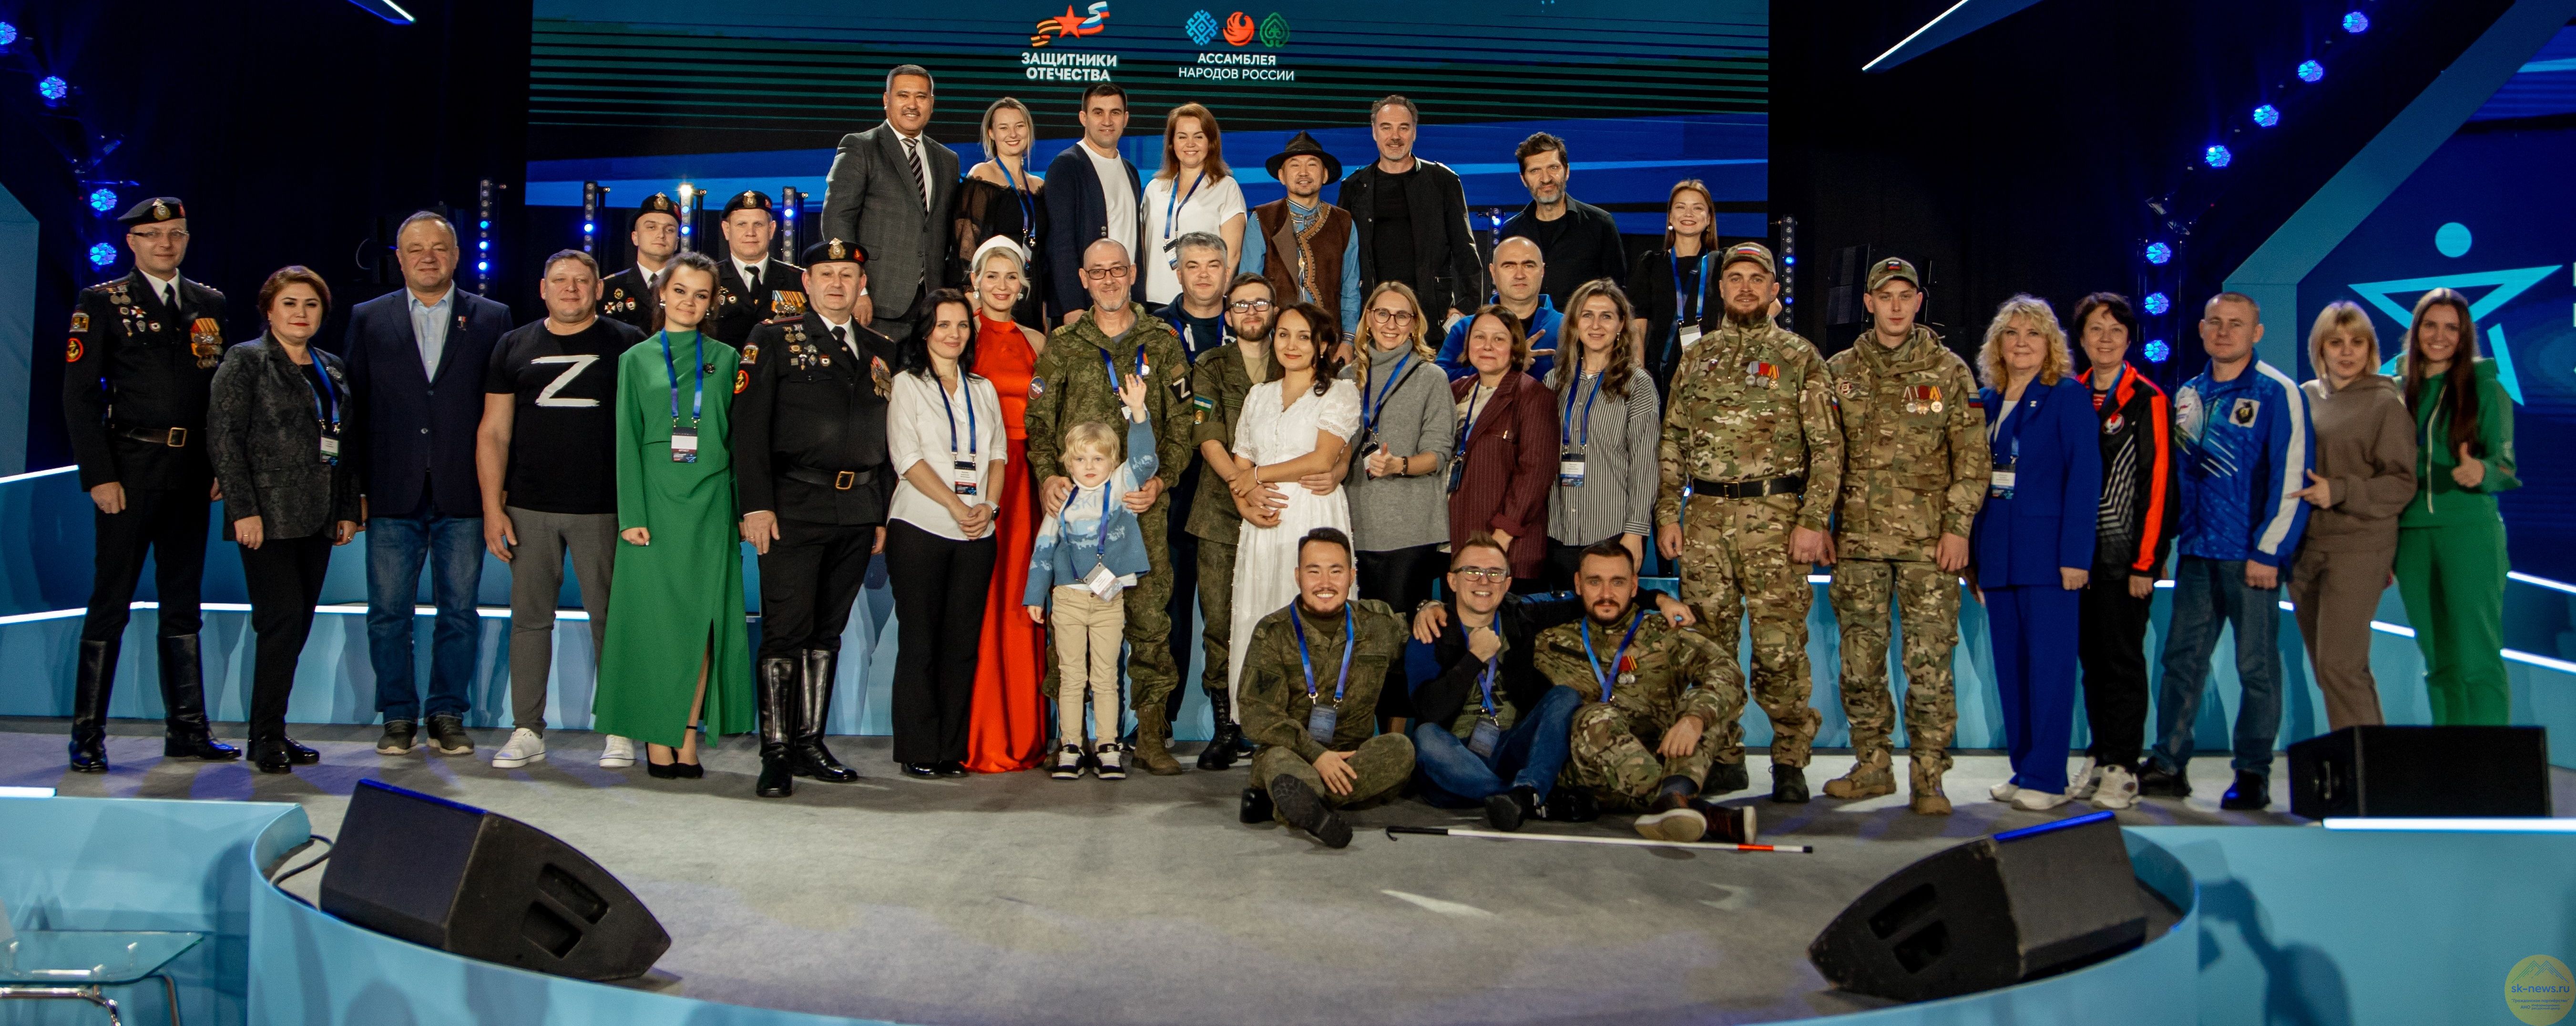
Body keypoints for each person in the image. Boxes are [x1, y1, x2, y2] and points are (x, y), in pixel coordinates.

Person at [1653, 241, 1838, 804]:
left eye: (1756, 278)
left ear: (1774, 289)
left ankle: (1789, 759)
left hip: (1775, 519)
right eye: (1734, 278)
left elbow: (1827, 449)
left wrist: (1813, 519)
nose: (1745, 287)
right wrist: (1668, 511)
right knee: (1708, 645)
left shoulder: (1799, 356)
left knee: (1780, 649)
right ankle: (1724, 756)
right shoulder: (1698, 355)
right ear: (1721, 289)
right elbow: (1673, 439)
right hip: (1705, 519)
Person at [60, 196, 236, 772]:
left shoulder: (209, 303)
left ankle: (187, 729)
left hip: (190, 475)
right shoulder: (102, 302)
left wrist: (221, 465)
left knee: (183, 604)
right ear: (131, 241)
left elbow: (220, 397)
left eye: (176, 233)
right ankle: (88, 735)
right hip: (130, 470)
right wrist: (100, 475)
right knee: (110, 602)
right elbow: (79, 397)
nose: (166, 243)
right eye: (153, 235)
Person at [733, 238, 901, 796]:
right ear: (805, 283)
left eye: (847, 274)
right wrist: (755, 504)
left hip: (857, 508)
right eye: (826, 274)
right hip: (793, 505)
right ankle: (776, 751)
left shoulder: (880, 349)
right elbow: (748, 426)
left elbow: (888, 438)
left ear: (862, 284)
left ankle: (809, 742)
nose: (836, 283)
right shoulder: (772, 337)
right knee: (786, 630)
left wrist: (881, 511)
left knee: (827, 633)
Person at [1818, 258, 1984, 815]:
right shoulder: (1839, 370)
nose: (1894, 305)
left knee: (1928, 663)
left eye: (1904, 295)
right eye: (1884, 295)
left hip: (1928, 546)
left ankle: (1929, 775)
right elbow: (1822, 455)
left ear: (1918, 301)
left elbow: (1972, 458)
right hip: (1857, 544)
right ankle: (1872, 765)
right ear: (1867, 302)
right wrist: (1820, 521)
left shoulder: (1948, 371)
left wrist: (1958, 528)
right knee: (1859, 662)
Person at [346, 211, 513, 759]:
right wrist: (354, 490)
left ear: (456, 255)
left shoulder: (492, 318)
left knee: (459, 612)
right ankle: (397, 715)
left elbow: (502, 414)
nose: (427, 257)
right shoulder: (369, 318)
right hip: (391, 491)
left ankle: (447, 713)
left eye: (438, 248)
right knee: (388, 614)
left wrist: (499, 491)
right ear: (399, 258)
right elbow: (353, 410)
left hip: (463, 491)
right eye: (415, 248)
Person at [1023, 238, 1195, 773]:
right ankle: (1071, 736)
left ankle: (1150, 735)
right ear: (1083, 278)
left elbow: (1182, 426)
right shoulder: (1065, 344)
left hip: (1139, 515)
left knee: (1150, 624)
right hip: (1076, 520)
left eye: (1117, 270)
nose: (1108, 280)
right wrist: (1048, 477)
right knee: (1072, 632)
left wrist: (1161, 481)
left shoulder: (1162, 341)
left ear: (1133, 273)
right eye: (1097, 272)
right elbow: (1038, 424)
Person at [478, 250, 646, 771]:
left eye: (581, 281)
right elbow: (494, 431)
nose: (570, 289)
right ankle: (527, 728)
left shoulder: (628, 343)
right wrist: (492, 508)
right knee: (530, 621)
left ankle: (619, 725)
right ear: (542, 288)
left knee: (611, 621)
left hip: (604, 509)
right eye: (560, 280)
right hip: (528, 508)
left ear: (599, 289)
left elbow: (646, 427)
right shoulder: (513, 345)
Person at [2144, 292, 2311, 810]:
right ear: (2201, 329)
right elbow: (2176, 479)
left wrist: (2269, 551)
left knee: (2255, 666)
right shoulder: (2189, 394)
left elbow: (2292, 477)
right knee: (2181, 662)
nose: (2224, 331)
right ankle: (2169, 763)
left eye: (2236, 324)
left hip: (2250, 557)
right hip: (2197, 553)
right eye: (2214, 322)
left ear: (2256, 332)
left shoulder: (2277, 391)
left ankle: (2253, 771)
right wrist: (2165, 543)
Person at [1407, 535, 1697, 830]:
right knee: (1426, 737)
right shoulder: (1430, 629)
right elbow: (1429, 710)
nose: (1484, 581)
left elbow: (1594, 596)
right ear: (1452, 581)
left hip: (1509, 749)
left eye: (1495, 573)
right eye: (1472, 572)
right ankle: (1525, 798)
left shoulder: (1521, 615)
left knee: (1565, 697)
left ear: (1507, 584)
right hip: (1453, 757)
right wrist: (1474, 658)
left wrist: (1658, 598)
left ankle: (1526, 791)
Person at [596, 252, 753, 779]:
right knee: (657, 627)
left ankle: (687, 737)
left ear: (713, 303)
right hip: (656, 505)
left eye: (701, 294)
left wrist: (739, 508)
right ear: (662, 293)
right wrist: (631, 514)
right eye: (680, 291)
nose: (689, 302)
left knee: (702, 626)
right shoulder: (636, 359)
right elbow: (625, 439)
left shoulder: (728, 358)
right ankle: (655, 736)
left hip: (711, 504)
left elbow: (737, 438)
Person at [207, 267, 363, 774]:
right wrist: (243, 509)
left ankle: (273, 727)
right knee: (280, 622)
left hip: (318, 515)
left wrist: (346, 509)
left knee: (297, 626)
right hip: (267, 517)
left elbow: (345, 442)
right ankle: (264, 736)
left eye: (311, 305)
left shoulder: (331, 366)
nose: (301, 313)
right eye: (290, 304)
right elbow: (225, 440)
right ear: (269, 310)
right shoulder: (246, 360)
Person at [1968, 296, 2101, 811]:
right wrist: (1975, 560)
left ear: (2050, 344)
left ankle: (2048, 776)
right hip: (1998, 555)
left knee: (2049, 668)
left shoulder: (2067, 396)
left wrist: (2076, 556)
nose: (2021, 342)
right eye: (2012, 333)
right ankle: (2024, 766)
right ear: (1997, 344)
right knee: (2012, 668)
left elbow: (2084, 478)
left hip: (2050, 559)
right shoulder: (1986, 399)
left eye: (2033, 333)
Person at [1536, 540, 1756, 843]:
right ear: (1578, 584)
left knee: (1701, 704)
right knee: (1594, 716)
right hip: (1589, 775)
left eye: (1617, 582)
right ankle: (1683, 806)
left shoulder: (1664, 634)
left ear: (1634, 586)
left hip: (1665, 760)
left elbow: (1726, 670)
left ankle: (1674, 798)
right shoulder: (1550, 641)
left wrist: (1695, 719)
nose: (1606, 594)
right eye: (1594, 582)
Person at [884, 291, 1009, 777]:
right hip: (921, 526)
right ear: (925, 332)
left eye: (961, 325)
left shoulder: (983, 388)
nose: (954, 334)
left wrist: (988, 506)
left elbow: (997, 455)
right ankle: (918, 748)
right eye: (943, 325)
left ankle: (950, 749)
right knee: (921, 641)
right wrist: (957, 505)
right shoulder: (906, 385)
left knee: (961, 644)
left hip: (978, 531)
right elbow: (907, 458)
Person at [1221, 301, 1358, 720]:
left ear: (1322, 345)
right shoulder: (1259, 395)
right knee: (1262, 611)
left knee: (1313, 611)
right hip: (1264, 525)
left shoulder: (1340, 393)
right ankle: (1264, 723)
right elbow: (1241, 464)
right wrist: (1244, 504)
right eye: (1283, 334)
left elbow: (1322, 459)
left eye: (1303, 337)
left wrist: (1257, 476)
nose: (1291, 344)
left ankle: (1318, 721)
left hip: (1313, 516)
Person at [1234, 528, 1413, 849]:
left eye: (1336, 571)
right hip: (1294, 753)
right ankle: (1310, 801)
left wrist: (1429, 607)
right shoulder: (1273, 632)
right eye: (1314, 571)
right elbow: (1257, 714)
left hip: (1353, 757)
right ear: (1298, 576)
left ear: (1352, 576)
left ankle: (1294, 804)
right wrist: (1317, 756)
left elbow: (1420, 643)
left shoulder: (1379, 623)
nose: (1325, 583)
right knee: (1277, 762)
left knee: (1401, 749)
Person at [2066, 293, 2175, 810]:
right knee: (2091, 663)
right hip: (2078, 561)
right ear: (2081, 338)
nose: (2105, 338)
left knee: (2122, 663)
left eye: (2114, 329)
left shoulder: (2148, 398)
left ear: (2130, 338)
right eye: (2095, 329)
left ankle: (2123, 765)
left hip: (2125, 561)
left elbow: (2159, 485)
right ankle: (2099, 751)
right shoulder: (2071, 395)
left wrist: (2145, 563)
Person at [2393, 287, 2519, 726]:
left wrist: (2481, 471)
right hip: (2410, 537)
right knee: (2437, 658)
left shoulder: (2485, 386)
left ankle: (2493, 758)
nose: (2440, 336)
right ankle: (2451, 755)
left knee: (2477, 656)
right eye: (2430, 325)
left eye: (2452, 328)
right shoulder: (2395, 392)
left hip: (2469, 531)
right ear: (2416, 331)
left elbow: (2505, 467)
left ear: (2465, 336)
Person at [2288, 301, 2415, 732]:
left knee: (2341, 666)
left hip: (2359, 548)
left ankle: (2370, 767)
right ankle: (2355, 758)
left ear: (2371, 349)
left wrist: (2339, 490)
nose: (2347, 352)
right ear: (2319, 348)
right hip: (2305, 550)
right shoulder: (2304, 396)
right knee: (2327, 670)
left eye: (2357, 342)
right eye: (2336, 342)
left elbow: (2401, 483)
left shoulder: (2385, 403)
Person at [1023, 392, 1159, 780]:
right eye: (1081, 459)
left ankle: (1107, 746)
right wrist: (1035, 595)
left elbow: (1146, 461)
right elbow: (1044, 548)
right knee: (1071, 676)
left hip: (1108, 599)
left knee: (1105, 676)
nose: (1089, 467)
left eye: (1098, 459)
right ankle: (1070, 745)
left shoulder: (1120, 488)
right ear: (1068, 463)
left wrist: (1138, 413)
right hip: (1067, 599)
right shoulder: (1062, 500)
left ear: (1113, 463)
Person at [1340, 281, 1455, 731]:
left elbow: (1439, 453)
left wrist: (1399, 465)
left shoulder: (1431, 377)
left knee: (1397, 643)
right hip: (1354, 526)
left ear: (1415, 324)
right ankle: (1358, 736)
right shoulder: (1346, 379)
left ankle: (1395, 743)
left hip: (1408, 531)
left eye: (1402, 315)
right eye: (1382, 314)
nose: (1391, 324)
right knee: (1360, 641)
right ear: (1368, 319)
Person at [963, 239, 1053, 773]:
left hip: (1028, 482)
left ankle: (1023, 731)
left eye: (1011, 276)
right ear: (975, 280)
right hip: (978, 479)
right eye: (991, 275)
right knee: (980, 599)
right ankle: (977, 731)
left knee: (1022, 598)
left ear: (1023, 285)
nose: (1002, 285)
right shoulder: (959, 334)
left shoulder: (1037, 341)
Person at [1186, 273, 1277, 768]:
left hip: (1278, 508)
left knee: (1273, 617)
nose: (1251, 312)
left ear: (1274, 310)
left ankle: (1271, 723)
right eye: (1241, 305)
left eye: (1260, 303)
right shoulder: (1211, 364)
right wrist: (1242, 486)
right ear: (1228, 315)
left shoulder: (1292, 360)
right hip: (1220, 513)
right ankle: (1226, 727)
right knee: (1220, 622)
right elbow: (1208, 435)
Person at [1148, 232, 1235, 735]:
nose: (1204, 274)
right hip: (1175, 489)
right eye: (1193, 265)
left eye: (1213, 264)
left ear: (1227, 270)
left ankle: (1233, 723)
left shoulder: (1249, 324)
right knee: (1171, 610)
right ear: (1177, 272)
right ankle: (1160, 719)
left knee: (1229, 612)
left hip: (1233, 489)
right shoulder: (1154, 329)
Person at [820, 64, 958, 340]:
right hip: (876, 303)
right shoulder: (861, 147)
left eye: (921, 97)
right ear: (886, 100)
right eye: (903, 95)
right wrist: (857, 290)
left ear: (932, 103)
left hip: (931, 308)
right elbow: (837, 220)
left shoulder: (947, 159)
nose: (912, 105)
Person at [1543, 279, 1660, 588]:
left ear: (1621, 325)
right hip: (1557, 529)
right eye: (1587, 315)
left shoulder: (1638, 384)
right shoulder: (1553, 382)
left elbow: (1645, 464)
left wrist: (1635, 531)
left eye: (1606, 316)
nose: (1596, 325)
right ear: (1574, 323)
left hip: (1613, 531)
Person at [1337, 95, 1482, 332]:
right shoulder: (1354, 187)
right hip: (1374, 319)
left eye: (1403, 128)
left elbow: (1465, 250)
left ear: (1414, 132)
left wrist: (1468, 306)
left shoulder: (1443, 181)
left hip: (1431, 317)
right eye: (1386, 128)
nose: (1395, 137)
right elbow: (1344, 260)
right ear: (1374, 132)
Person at [1449, 307, 1559, 586]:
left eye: (1499, 339)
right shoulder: (1457, 390)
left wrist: (1502, 536)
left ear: (1515, 347)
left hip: (1507, 549)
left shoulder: (1533, 396)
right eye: (1479, 337)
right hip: (1455, 542)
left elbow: (1535, 474)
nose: (1487, 346)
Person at [1239, 132, 1362, 337]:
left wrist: (1348, 341)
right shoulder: (1262, 219)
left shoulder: (1343, 222)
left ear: (1325, 175)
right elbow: (1249, 288)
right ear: (1282, 176)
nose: (1303, 173)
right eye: (1295, 165)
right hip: (1276, 338)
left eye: (1312, 165)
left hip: (1327, 338)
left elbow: (1350, 290)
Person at [1043, 83, 1142, 325]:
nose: (1107, 121)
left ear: (1125, 119)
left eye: (1115, 113)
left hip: (1126, 307)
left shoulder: (1130, 171)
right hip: (1085, 309)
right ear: (1083, 118)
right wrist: (1072, 306)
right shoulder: (1066, 166)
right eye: (1098, 112)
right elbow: (1060, 244)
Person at [952, 97, 1053, 330]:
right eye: (1004, 128)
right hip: (993, 294)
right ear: (991, 133)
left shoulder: (1038, 185)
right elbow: (965, 248)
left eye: (1019, 126)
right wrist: (972, 300)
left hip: (1029, 291)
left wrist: (1043, 306)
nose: (1013, 134)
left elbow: (1041, 253)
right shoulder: (982, 175)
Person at [1497, 133, 1623, 311]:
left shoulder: (1600, 224)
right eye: (1535, 171)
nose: (1546, 179)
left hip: (1581, 328)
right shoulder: (1511, 231)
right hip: (1528, 328)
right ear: (1524, 179)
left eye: (1553, 168)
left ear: (1567, 171)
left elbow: (1616, 293)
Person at [1139, 104, 1247, 308]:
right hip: (1153, 301)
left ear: (1211, 143)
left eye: (1199, 136)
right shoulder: (1154, 189)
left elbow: (1232, 256)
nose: (1190, 144)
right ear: (1172, 143)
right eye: (1182, 137)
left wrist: (1212, 302)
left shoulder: (1226, 188)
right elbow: (1144, 250)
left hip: (1200, 304)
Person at [1625, 180, 1719, 398]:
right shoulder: (1650, 264)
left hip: (1713, 379)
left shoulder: (1722, 263)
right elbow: (1638, 327)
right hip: (1663, 376)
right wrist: (1639, 376)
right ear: (1670, 217)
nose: (1688, 214)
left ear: (1709, 219)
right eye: (1681, 207)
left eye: (1697, 208)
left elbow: (1771, 306)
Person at [1436, 237, 1561, 382]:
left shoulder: (1567, 326)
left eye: (1529, 266)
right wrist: (1506, 366)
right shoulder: (1465, 328)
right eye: (1509, 266)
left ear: (1542, 271)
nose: (1520, 275)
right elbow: (1437, 381)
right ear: (1493, 272)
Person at [707, 190, 805, 346]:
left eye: (758, 224)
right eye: (742, 224)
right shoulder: (707, 279)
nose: (750, 233)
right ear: (726, 230)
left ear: (771, 229)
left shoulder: (801, 281)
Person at [599, 193, 680, 333]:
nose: (661, 235)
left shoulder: (690, 287)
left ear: (677, 243)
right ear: (635, 237)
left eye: (670, 230)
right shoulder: (608, 288)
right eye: (651, 227)